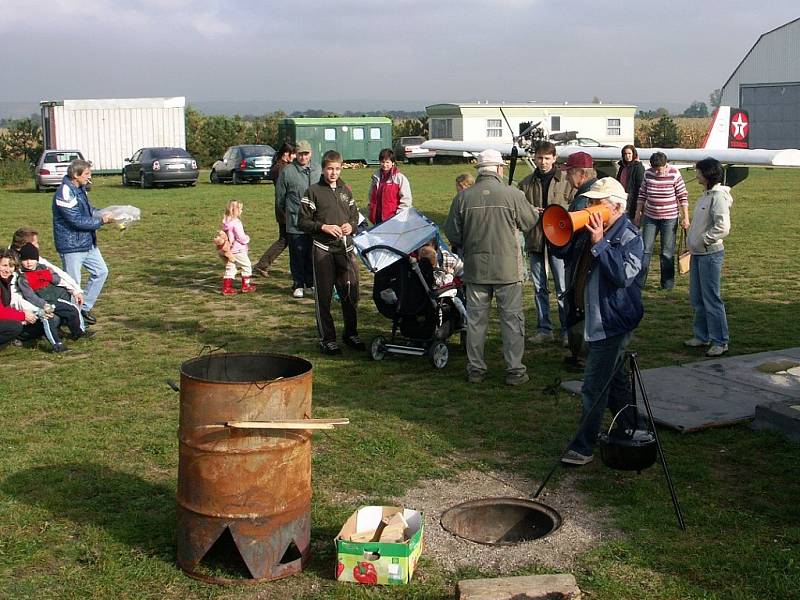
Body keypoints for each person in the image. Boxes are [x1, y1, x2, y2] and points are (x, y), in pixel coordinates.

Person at [554, 178, 645, 466]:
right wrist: (562, 231)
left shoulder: (631, 237)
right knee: (615, 381)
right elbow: (561, 252)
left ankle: (583, 447)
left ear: (616, 207)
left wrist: (600, 244)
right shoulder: (591, 230)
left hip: (612, 322)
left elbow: (622, 276)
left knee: (593, 386)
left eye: (597, 203)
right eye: (589, 202)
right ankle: (631, 427)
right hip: (595, 319)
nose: (590, 207)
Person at [444, 149, 538, 386]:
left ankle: (476, 369)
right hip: (507, 269)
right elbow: (530, 222)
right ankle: (515, 369)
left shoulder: (463, 198)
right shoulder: (513, 194)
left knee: (476, 322)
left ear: (479, 170)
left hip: (476, 268)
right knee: (511, 321)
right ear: (498, 169)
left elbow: (453, 233)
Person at [298, 150, 363, 355]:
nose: (334, 173)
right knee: (324, 296)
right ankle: (327, 339)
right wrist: (323, 227)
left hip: (345, 249)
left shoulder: (346, 190)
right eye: (330, 169)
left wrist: (351, 227)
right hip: (322, 249)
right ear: (323, 169)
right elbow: (302, 222)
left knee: (350, 292)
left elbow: (355, 217)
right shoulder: (314, 191)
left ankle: (351, 333)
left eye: (337, 169)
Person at [517, 141, 574, 346]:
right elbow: (519, 212)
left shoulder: (566, 181)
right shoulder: (525, 183)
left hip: (559, 241)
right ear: (534, 158)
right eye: (540, 158)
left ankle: (567, 329)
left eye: (547, 158)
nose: (543, 162)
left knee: (562, 288)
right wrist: (531, 212)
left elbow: (573, 209)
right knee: (539, 288)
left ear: (554, 159)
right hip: (536, 239)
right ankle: (544, 328)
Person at [52, 159, 113, 324]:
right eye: (86, 174)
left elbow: (89, 211)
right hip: (71, 246)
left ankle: (83, 308)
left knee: (101, 272)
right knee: (73, 285)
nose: (89, 177)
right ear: (75, 175)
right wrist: (102, 222)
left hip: (87, 242)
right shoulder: (65, 192)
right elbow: (75, 220)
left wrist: (105, 212)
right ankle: (73, 321)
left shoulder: (80, 189)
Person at [684, 158, 732, 357]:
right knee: (697, 298)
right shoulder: (706, 195)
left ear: (708, 174)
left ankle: (720, 340)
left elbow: (723, 227)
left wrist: (704, 240)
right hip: (698, 254)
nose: (696, 175)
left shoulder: (718, 197)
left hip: (710, 255)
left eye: (699, 171)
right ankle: (701, 335)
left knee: (711, 298)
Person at [561, 151, 597, 365]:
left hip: (581, 262)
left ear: (581, 173)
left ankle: (582, 356)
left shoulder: (583, 200)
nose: (566, 177)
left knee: (578, 304)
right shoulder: (595, 192)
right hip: (589, 261)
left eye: (569, 173)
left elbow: (573, 237)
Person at [634, 152, 689, 290]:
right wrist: (637, 213)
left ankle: (667, 284)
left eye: (660, 169)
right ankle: (639, 283)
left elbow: (682, 196)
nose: (657, 172)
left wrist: (685, 217)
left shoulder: (674, 174)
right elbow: (642, 194)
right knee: (645, 250)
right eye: (654, 169)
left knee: (666, 252)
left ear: (666, 165)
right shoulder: (648, 174)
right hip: (650, 217)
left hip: (669, 218)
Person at [16, 242, 90, 341]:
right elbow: (30, 296)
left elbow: (57, 280)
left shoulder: (44, 268)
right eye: (25, 260)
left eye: (32, 259)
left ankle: (78, 332)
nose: (29, 262)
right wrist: (44, 304)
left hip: (56, 298)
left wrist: (73, 290)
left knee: (73, 310)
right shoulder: (23, 278)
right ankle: (57, 342)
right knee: (67, 311)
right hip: (44, 303)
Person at [276, 140, 320, 298]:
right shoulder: (287, 171)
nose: (303, 157)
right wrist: (287, 214)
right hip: (295, 221)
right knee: (297, 254)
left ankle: (310, 283)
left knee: (311, 253)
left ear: (310, 154)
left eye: (306, 154)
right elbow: (280, 198)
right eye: (300, 154)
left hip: (314, 221)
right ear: (296, 154)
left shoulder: (317, 169)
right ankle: (298, 283)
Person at [0, 249, 65, 353]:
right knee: (14, 327)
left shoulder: (7, 280)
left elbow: (16, 300)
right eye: (4, 265)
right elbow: (1, 312)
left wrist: (38, 311)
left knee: (53, 319)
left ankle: (17, 338)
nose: (7, 270)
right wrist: (23, 315)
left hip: (14, 313)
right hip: (6, 317)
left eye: (11, 266)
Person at [252, 142, 297, 277]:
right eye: (293, 154)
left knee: (286, 240)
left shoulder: (282, 167)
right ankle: (262, 265)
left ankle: (262, 265)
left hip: (285, 209)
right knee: (286, 240)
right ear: (286, 154)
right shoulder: (281, 169)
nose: (295, 157)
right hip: (286, 209)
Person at [9, 227, 83, 304]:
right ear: (24, 245)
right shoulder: (10, 265)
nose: (38, 246)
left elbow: (58, 273)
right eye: (35, 243)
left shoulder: (32, 257)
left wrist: (76, 290)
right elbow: (15, 296)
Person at [368, 148, 413, 225]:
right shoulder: (376, 177)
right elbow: (371, 195)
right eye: (382, 162)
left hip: (393, 219)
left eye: (387, 162)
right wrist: (371, 209)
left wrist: (399, 215)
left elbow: (406, 199)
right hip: (377, 218)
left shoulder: (400, 178)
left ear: (393, 163)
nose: (385, 165)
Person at [220, 200, 256, 295]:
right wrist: (247, 239)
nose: (241, 211)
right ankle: (246, 285)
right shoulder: (236, 223)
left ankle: (226, 288)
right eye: (240, 209)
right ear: (234, 210)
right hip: (238, 249)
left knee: (231, 267)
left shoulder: (225, 222)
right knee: (247, 265)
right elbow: (241, 237)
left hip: (228, 249)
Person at [615, 144, 645, 220]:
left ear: (633, 154)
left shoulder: (638, 167)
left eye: (629, 153)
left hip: (632, 201)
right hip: (621, 198)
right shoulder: (622, 166)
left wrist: (638, 205)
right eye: (625, 154)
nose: (627, 156)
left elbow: (640, 186)